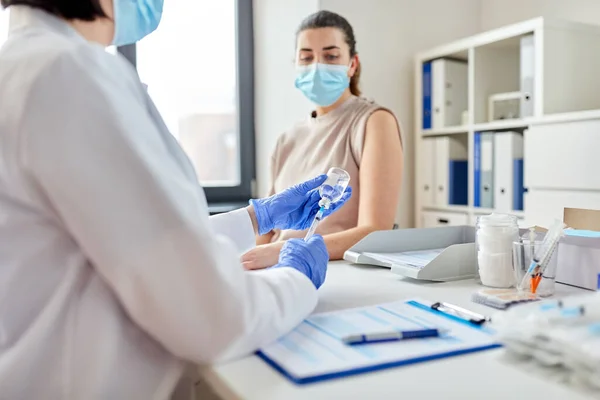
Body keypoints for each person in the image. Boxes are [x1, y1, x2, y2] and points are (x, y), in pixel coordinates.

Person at [0, 1, 351, 399]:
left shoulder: (22, 67)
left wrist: (256, 219)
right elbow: (213, 317)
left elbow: (121, 238)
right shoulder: (70, 73)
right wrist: (299, 279)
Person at [242, 10, 404, 270]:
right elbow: (266, 231)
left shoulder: (373, 121)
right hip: (277, 269)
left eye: (330, 56)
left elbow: (375, 231)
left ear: (352, 64)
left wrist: (284, 250)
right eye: (306, 57)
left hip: (332, 270)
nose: (317, 66)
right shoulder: (287, 139)